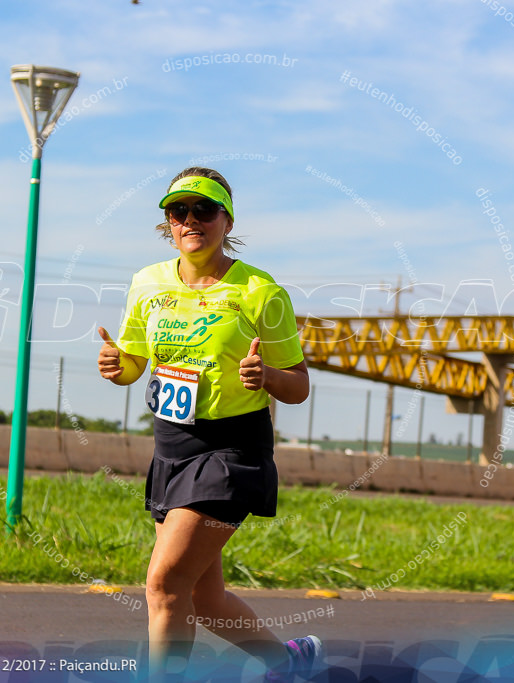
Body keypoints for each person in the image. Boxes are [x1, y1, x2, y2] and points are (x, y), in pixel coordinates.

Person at [97, 167, 322, 682]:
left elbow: (299, 384)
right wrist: (118, 367)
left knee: (164, 584)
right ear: (168, 224)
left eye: (204, 209)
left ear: (227, 219)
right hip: (172, 447)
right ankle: (290, 662)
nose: (190, 219)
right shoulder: (147, 283)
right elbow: (134, 362)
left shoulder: (260, 291)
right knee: (204, 595)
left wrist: (266, 375)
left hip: (231, 452)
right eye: (179, 211)